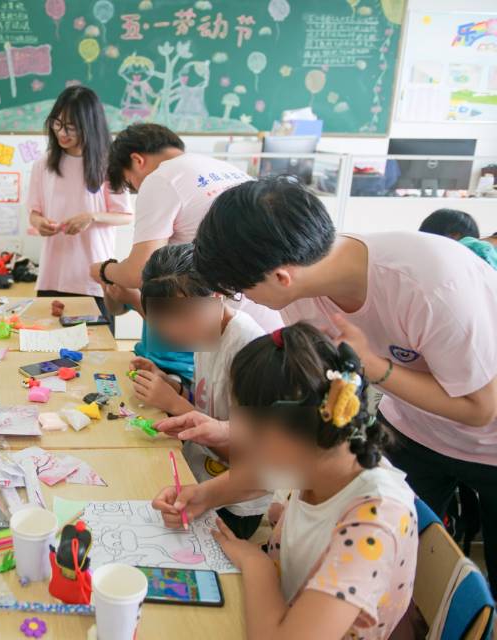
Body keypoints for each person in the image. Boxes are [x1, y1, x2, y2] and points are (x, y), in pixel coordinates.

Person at [193, 176, 497, 593]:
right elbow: (305, 432)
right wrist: (211, 492)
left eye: (241, 290)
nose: (244, 300)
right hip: (412, 430)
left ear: (280, 276)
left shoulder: (431, 285)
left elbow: (480, 408)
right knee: (407, 573)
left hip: (489, 443)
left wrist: (374, 367)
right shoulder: (302, 290)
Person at [154, 323, 417, 639]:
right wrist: (203, 496)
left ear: (293, 428)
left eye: (250, 428)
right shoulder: (323, 455)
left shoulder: (376, 520)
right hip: (280, 602)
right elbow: (264, 474)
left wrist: (257, 565)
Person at [133, 244, 267, 537]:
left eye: (183, 315)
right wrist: (173, 387)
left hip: (231, 505)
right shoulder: (206, 332)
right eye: (163, 319)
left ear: (217, 295)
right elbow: (210, 403)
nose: (172, 330)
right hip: (195, 473)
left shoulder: (249, 349)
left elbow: (247, 457)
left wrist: (176, 404)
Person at [89, 123, 250, 290]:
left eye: (131, 183)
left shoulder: (161, 178)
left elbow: (139, 273)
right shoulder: (228, 168)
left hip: (220, 299)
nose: (137, 189)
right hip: (255, 298)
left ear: (137, 161)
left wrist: (103, 270)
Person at [28, 86, 133, 323]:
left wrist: (92, 216)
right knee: (48, 340)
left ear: (89, 125)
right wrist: (39, 223)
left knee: (97, 342)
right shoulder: (43, 165)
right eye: (57, 124)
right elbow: (34, 213)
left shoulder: (108, 165)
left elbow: (126, 215)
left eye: (71, 127)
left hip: (93, 276)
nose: (62, 133)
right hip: (52, 276)